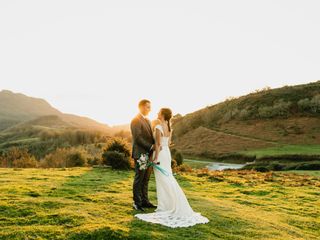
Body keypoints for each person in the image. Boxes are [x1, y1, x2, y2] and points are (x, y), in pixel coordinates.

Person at [135, 108, 209, 228]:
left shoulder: (159, 127)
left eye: (159, 112)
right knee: (167, 179)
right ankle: (169, 204)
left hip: (160, 155)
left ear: (163, 115)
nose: (157, 113)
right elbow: (167, 144)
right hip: (167, 154)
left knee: (163, 181)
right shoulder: (169, 128)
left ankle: (165, 206)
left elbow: (158, 145)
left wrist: (155, 158)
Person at [130, 99, 156, 211]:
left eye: (150, 107)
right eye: (147, 107)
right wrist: (151, 147)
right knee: (139, 178)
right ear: (141, 107)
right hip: (140, 153)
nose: (150, 109)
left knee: (146, 179)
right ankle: (137, 203)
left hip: (149, 154)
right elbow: (138, 138)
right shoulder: (135, 120)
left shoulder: (148, 120)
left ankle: (145, 201)